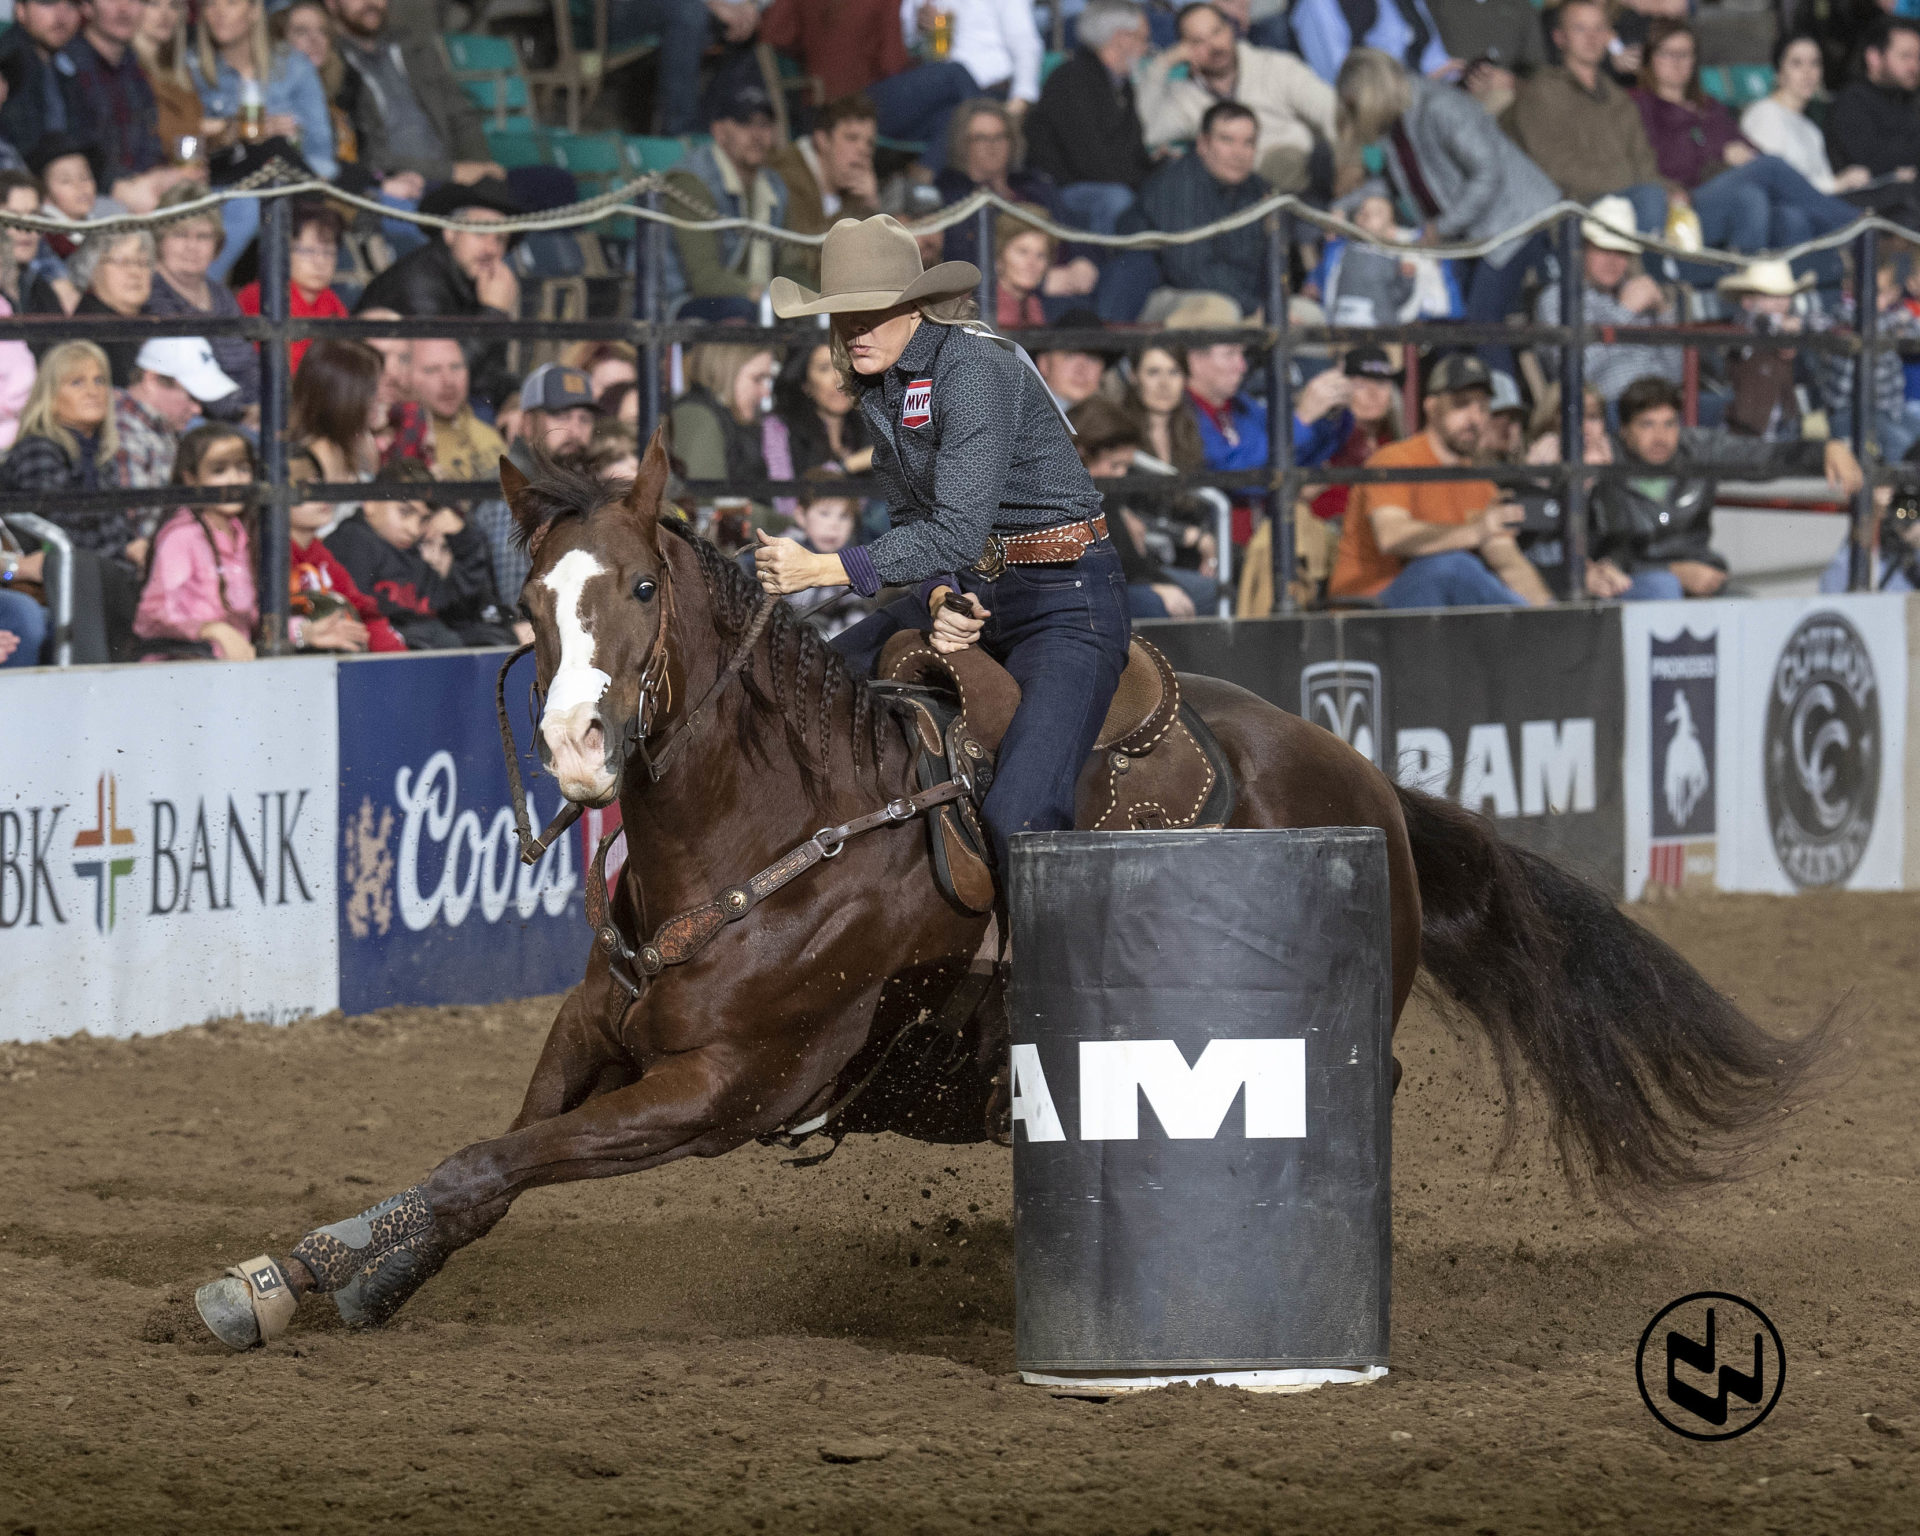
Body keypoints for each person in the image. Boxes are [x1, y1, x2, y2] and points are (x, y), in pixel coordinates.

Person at [752, 214, 1131, 870]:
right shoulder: (882, 386)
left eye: (873, 311)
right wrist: (936, 596)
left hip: (1067, 599)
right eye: (842, 315)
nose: (855, 329)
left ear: (917, 309)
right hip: (982, 589)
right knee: (800, 694)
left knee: (1019, 820)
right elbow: (918, 524)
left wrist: (824, 569)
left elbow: (954, 528)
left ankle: (1054, 969)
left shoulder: (976, 370)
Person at [1337, 47, 1557, 374]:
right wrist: (1343, 210)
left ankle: (1500, 409)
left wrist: (1441, 227)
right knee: (1446, 321)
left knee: (1483, 321)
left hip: (1517, 220)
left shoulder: (1441, 106)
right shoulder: (1393, 124)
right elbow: (1394, 184)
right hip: (1467, 233)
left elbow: (1488, 174)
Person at [1589, 374, 1862, 601]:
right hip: (1629, 582)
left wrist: (1825, 450)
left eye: (1669, 424)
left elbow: (1762, 458)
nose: (1660, 436)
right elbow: (1603, 554)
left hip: (1701, 577)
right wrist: (1673, 572)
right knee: (1664, 587)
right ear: (1624, 430)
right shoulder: (1602, 463)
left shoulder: (1698, 449)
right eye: (1647, 425)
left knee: (1750, 606)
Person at [1631, 19, 1856, 272]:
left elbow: (1752, 152)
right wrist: (1721, 155)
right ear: (1650, 58)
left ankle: (1802, 303)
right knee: (1770, 168)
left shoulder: (1710, 107)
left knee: (1786, 214)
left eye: (1685, 54)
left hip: (1729, 191)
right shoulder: (1640, 105)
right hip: (1685, 198)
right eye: (1668, 53)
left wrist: (1743, 157)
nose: (1678, 61)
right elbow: (1661, 163)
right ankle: (1856, 230)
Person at [1328, 352, 1550, 609]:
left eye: (1483, 407)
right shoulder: (1395, 460)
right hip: (1370, 610)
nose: (1475, 419)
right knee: (1452, 566)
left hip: (1433, 616)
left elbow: (1508, 562)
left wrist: (1549, 612)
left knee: (1472, 571)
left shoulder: (1480, 483)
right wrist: (1477, 531)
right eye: (1461, 404)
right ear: (1431, 406)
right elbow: (1391, 536)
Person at [188, 0, 337, 278]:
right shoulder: (192, 66)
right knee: (266, 160)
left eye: (231, 3)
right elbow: (183, 134)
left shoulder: (293, 66)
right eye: (210, 5)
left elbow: (321, 150)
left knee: (277, 153)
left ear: (255, 10)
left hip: (287, 179)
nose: (218, 13)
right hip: (220, 176)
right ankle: (199, 287)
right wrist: (237, 130)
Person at [1137, 2, 1336, 193]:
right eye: (1198, 41)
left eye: (1216, 32)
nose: (1213, 46)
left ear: (1230, 30)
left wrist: (1344, 160)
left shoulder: (1275, 66)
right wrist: (1161, 65)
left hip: (1308, 169)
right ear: (1184, 50)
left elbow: (1330, 109)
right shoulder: (1184, 98)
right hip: (1244, 189)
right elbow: (1146, 132)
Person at [1504, 0, 1667, 233]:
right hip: (1574, 208)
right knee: (1650, 198)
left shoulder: (1618, 98)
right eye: (1580, 28)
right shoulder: (1542, 92)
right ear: (1560, 38)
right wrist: (1631, 181)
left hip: (1632, 197)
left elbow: (1644, 161)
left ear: (1608, 35)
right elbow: (1554, 166)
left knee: (1673, 199)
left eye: (1599, 28)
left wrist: (1669, 190)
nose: (1591, 37)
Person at [354, 179, 519, 406]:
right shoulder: (419, 281)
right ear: (450, 232)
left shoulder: (479, 279)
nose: (491, 249)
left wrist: (513, 400)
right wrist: (493, 313)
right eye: (481, 233)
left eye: (500, 239)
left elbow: (492, 373)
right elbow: (441, 379)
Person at [323, 458, 520, 649]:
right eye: (405, 512)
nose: (413, 529)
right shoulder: (353, 539)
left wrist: (462, 537)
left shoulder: (415, 552)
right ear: (370, 503)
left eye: (423, 519)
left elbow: (459, 609)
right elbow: (362, 618)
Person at [759, 0, 975, 164]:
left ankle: (923, 176)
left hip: (816, 103)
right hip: (857, 105)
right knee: (955, 75)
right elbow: (892, 65)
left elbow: (775, 33)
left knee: (952, 112)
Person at [662, 81, 802, 322]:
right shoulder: (691, 181)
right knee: (745, 310)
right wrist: (769, 296)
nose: (757, 135)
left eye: (764, 125)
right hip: (679, 305)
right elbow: (705, 279)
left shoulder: (775, 187)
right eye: (744, 123)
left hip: (750, 300)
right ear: (718, 131)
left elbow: (789, 266)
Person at [325, 0, 499, 186]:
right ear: (332, 4)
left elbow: (462, 117)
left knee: (530, 183)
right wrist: (450, 172)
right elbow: (370, 156)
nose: (371, 2)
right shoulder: (332, 66)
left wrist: (481, 169)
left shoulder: (414, 46)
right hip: (395, 184)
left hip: (454, 178)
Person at [1531, 195, 1683, 407]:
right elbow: (1576, 371)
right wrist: (1624, 312)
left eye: (1621, 252)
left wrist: (1663, 314)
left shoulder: (1638, 294)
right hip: (1606, 410)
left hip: (1662, 407)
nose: (1613, 260)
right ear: (1583, 248)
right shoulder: (1557, 297)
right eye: (1603, 249)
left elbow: (1677, 375)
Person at [1070, 395, 1206, 619]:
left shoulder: (1108, 495)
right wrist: (1157, 587)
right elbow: (1103, 564)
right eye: (1115, 465)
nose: (1121, 475)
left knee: (1206, 591)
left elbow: (1131, 559)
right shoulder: (1073, 497)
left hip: (1125, 576)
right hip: (1090, 587)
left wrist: (1159, 584)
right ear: (1082, 452)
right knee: (1158, 604)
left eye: (1126, 466)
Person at [132, 423, 259, 661]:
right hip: (184, 670)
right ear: (191, 478)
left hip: (236, 668)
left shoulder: (247, 535)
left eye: (243, 469)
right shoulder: (182, 536)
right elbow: (151, 616)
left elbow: (257, 617)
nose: (234, 480)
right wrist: (210, 629)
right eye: (219, 471)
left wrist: (306, 631)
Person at [1024, 0, 1154, 232]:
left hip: (1112, 182)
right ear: (1122, 38)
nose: (1146, 49)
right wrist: (1145, 183)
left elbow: (1134, 153)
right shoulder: (1070, 80)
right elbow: (1092, 164)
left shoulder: (1121, 85)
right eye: (1143, 39)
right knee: (1117, 199)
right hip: (1064, 192)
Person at [1137, 100, 1271, 319]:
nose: (1239, 153)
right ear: (1203, 144)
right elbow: (1189, 268)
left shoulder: (1259, 190)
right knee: (1220, 311)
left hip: (1243, 301)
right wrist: (1256, 308)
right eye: (1227, 140)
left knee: (1310, 316)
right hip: (1169, 296)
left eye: (1248, 142)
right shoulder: (1177, 183)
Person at [64, 0, 200, 210]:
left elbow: (149, 140)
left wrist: (161, 177)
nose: (124, 8)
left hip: (140, 188)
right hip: (92, 197)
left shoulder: (132, 67)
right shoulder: (67, 66)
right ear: (86, 7)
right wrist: (123, 185)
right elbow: (74, 147)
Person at [144, 182, 258, 419]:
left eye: (203, 236)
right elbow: (187, 377)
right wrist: (247, 413)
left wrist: (262, 408)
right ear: (159, 239)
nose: (192, 247)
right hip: (192, 417)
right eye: (180, 235)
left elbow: (249, 364)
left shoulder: (221, 295)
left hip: (247, 411)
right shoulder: (151, 293)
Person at [1741, 33, 1886, 199]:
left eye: (1815, 63)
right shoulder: (1766, 113)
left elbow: (1824, 183)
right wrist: (1837, 183)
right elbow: (1773, 181)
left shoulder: (1811, 130)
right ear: (1778, 72)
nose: (1807, 72)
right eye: (1796, 63)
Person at [288, 449, 396, 652]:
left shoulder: (321, 555)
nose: (318, 494)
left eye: (319, 484)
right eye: (303, 487)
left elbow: (364, 611)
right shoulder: (268, 556)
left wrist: (398, 663)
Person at [767, 94, 881, 286]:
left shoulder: (854, 189)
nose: (863, 150)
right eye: (852, 138)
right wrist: (858, 213)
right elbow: (803, 260)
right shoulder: (786, 176)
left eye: (869, 142)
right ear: (822, 140)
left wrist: (871, 208)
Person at [113, 334, 240, 489]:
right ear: (152, 380)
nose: (197, 409)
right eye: (191, 396)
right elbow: (135, 509)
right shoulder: (121, 427)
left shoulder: (158, 425)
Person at [236, 196, 346, 373]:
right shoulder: (262, 297)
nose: (320, 262)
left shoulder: (330, 300)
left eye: (328, 252)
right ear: (280, 251)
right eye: (307, 251)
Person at [898, 0, 1046, 126]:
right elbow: (901, 37)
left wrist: (1019, 102)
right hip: (935, 88)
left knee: (954, 120)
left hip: (987, 91)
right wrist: (917, 24)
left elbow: (1025, 44)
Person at [670, 343, 778, 507]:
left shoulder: (728, 420)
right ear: (726, 372)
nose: (765, 392)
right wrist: (786, 522)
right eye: (758, 379)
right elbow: (706, 502)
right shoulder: (698, 416)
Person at [1828, 17, 1920, 191]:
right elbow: (1870, 162)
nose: (1914, 66)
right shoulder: (1852, 102)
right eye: (1905, 56)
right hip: (1875, 205)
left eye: (1918, 58)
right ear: (1874, 57)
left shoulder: (1907, 100)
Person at [765, 339, 874, 487]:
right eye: (824, 368)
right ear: (805, 384)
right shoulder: (779, 427)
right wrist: (847, 466)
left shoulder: (870, 427)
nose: (839, 380)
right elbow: (784, 501)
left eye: (846, 366)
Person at [63, 226, 156, 385]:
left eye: (142, 262)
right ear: (91, 268)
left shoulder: (152, 320)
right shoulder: (88, 331)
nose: (135, 272)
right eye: (122, 262)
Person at [0, 0, 86, 164]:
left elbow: (85, 136)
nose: (61, 17)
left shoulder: (70, 59)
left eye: (72, 4)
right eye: (48, 2)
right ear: (20, 10)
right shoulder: (9, 62)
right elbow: (26, 148)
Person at [1290, 0, 1452, 87]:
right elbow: (1340, 84)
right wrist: (1413, 87)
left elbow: (1433, 56)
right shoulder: (1316, 5)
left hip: (1424, 93)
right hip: (1375, 117)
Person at [292, 336, 381, 491]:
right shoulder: (321, 454)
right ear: (343, 395)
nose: (379, 398)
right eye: (371, 389)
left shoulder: (360, 445)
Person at [276, 1, 358, 166]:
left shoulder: (342, 97)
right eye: (301, 31)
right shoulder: (276, 105)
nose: (315, 39)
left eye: (323, 31)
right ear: (280, 41)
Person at [413, 338, 502, 482]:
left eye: (455, 367)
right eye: (433, 370)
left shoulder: (488, 435)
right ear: (407, 376)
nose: (448, 381)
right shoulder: (404, 442)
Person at [1122, 341, 1207, 473]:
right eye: (1153, 372)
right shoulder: (1116, 435)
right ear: (1133, 376)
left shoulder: (1194, 431)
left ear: (1185, 379)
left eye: (1174, 372)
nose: (1164, 384)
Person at [134, 0, 203, 156]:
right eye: (153, 3)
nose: (165, 14)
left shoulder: (181, 73)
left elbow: (190, 150)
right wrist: (205, 128)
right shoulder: (128, 72)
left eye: (174, 5)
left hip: (189, 173)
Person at [516, 362, 602, 461]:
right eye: (562, 417)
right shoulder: (507, 475)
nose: (576, 432)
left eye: (585, 419)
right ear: (529, 423)